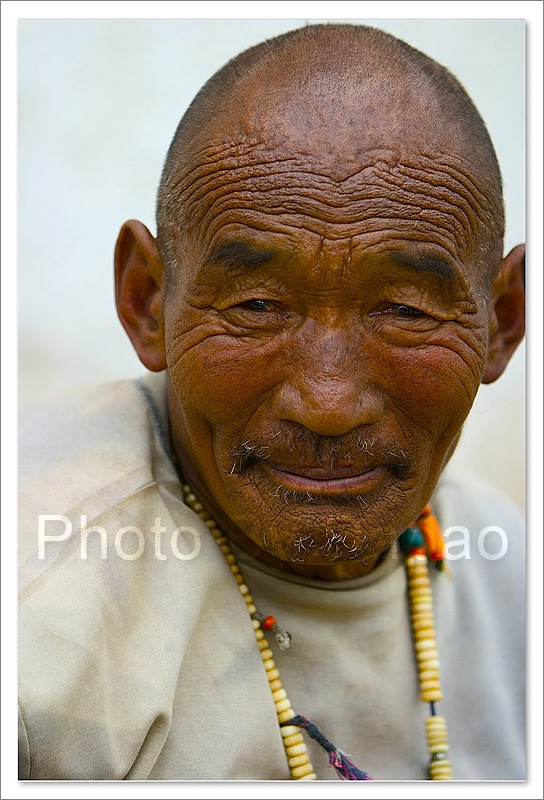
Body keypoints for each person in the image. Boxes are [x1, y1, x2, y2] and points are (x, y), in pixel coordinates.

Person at [18, 23, 525, 781]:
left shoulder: (512, 577)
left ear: (501, 322)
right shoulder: (32, 630)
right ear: (147, 301)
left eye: (407, 310)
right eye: (256, 304)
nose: (327, 401)